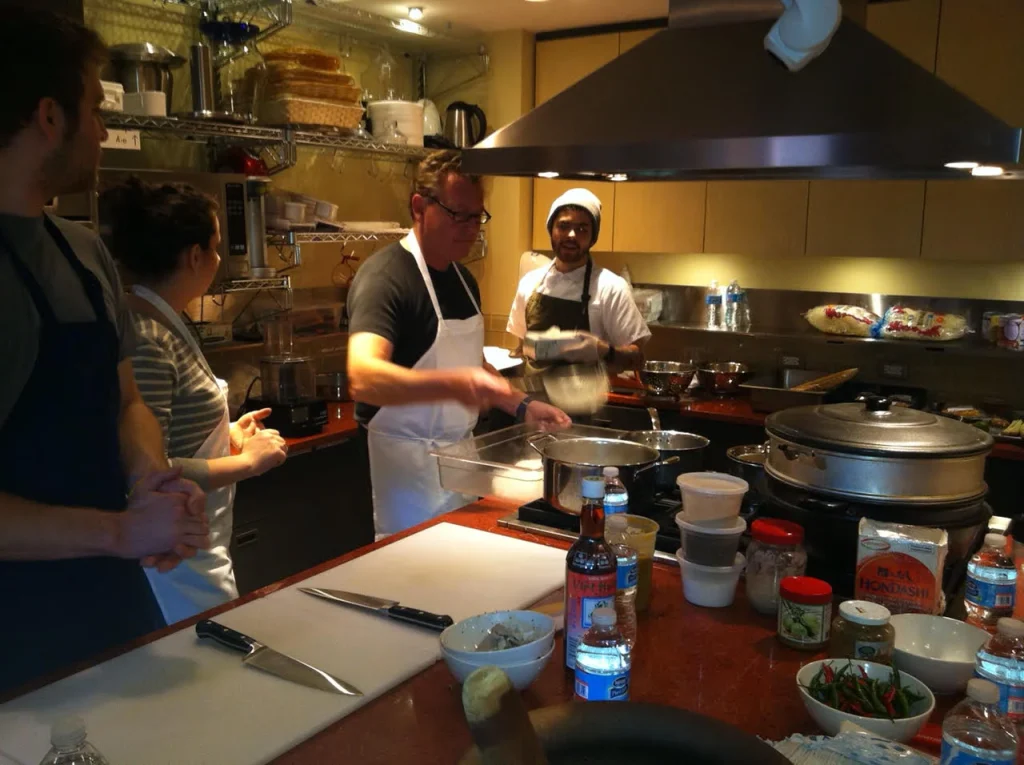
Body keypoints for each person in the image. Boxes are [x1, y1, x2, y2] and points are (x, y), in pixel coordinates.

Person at [0, 9, 209, 693]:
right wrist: (121, 531)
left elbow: (127, 401)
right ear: (49, 117)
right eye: (94, 108)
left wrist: (152, 480)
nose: (102, 128)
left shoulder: (84, 250)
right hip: (16, 629)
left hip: (110, 600)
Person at [347, 150, 570, 539]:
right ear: (419, 207)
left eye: (477, 216)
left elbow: (472, 365)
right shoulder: (386, 279)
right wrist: (456, 383)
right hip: (407, 476)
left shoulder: (465, 281)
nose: (471, 228)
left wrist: (520, 405)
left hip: (461, 465)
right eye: (458, 214)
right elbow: (363, 377)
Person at [104, 178, 289, 624]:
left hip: (197, 541)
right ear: (194, 257)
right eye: (216, 247)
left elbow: (171, 434)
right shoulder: (148, 339)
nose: (220, 258)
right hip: (175, 556)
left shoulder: (163, 322)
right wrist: (249, 463)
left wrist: (225, 435)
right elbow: (149, 470)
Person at [507, 188, 651, 376]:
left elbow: (637, 358)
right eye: (564, 226)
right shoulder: (529, 283)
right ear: (551, 230)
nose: (572, 235)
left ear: (593, 237)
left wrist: (604, 351)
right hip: (534, 401)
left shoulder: (612, 288)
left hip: (588, 403)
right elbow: (520, 349)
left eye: (582, 229)